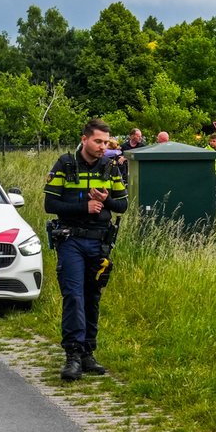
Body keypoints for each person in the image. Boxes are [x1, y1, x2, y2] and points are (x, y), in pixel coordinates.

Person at [44, 119, 128, 380]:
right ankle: (72, 355)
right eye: (98, 141)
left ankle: (88, 353)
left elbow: (122, 205)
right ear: (84, 139)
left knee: (92, 297)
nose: (103, 146)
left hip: (99, 242)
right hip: (71, 241)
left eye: (106, 142)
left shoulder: (110, 168)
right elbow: (50, 203)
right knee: (74, 296)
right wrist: (84, 205)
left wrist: (106, 201)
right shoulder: (65, 164)